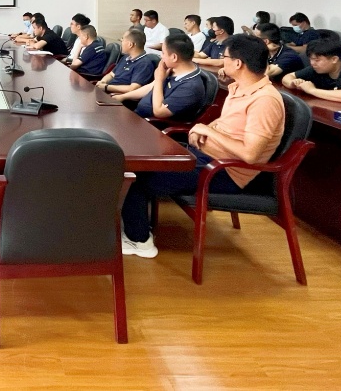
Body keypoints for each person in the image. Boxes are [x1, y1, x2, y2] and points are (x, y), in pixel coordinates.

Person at [121, 35, 286, 258]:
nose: (221, 61)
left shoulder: (265, 101)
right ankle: (137, 223)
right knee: (143, 159)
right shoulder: (239, 88)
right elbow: (227, 124)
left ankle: (140, 241)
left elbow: (250, 154)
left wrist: (208, 132)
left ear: (238, 63)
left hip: (225, 171)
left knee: (137, 178)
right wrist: (205, 129)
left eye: (224, 56)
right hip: (206, 156)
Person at [113, 34, 205, 122]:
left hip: (151, 125)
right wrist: (123, 96)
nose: (161, 56)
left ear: (174, 57)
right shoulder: (172, 69)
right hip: (137, 116)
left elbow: (159, 111)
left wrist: (159, 80)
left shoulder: (191, 87)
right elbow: (150, 87)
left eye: (163, 53)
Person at [96, 28, 155, 96]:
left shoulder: (144, 64)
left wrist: (107, 87)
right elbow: (111, 75)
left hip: (118, 97)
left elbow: (132, 88)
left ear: (130, 44)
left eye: (123, 40)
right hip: (108, 92)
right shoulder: (126, 57)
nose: (121, 42)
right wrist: (103, 82)